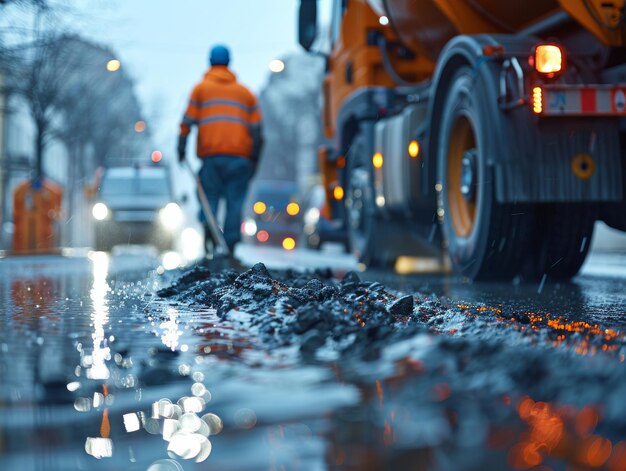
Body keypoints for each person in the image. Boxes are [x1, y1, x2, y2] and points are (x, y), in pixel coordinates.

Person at [178, 44, 263, 256]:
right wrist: (254, 160)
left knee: (210, 197)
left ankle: (211, 235)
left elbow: (186, 123)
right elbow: (257, 132)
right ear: (229, 63)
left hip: (212, 159)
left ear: (210, 62)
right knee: (235, 202)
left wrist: (180, 147)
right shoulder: (245, 94)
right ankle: (231, 245)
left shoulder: (201, 90)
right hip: (240, 160)